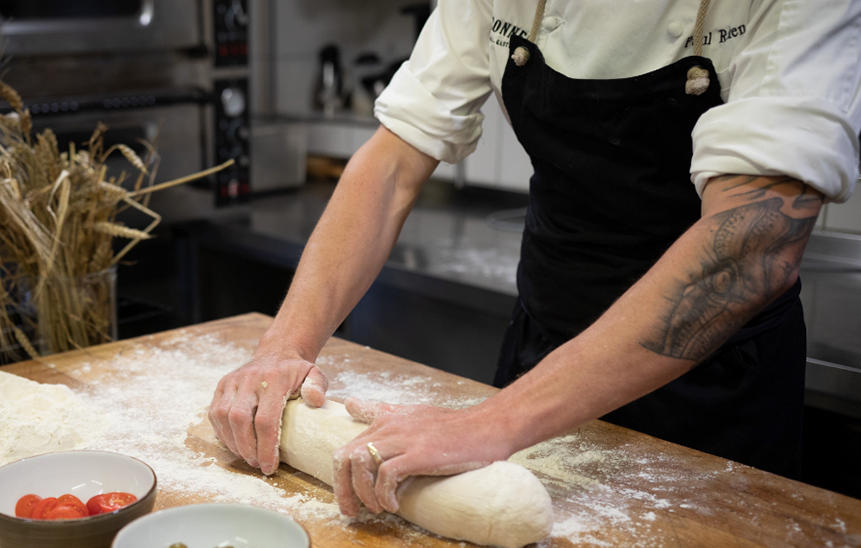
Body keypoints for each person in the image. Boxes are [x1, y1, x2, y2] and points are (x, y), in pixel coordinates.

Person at [210, 0, 861, 517]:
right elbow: (392, 163)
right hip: (542, 345)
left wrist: (494, 422)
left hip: (718, 393)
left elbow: (751, 246)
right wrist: (284, 347)